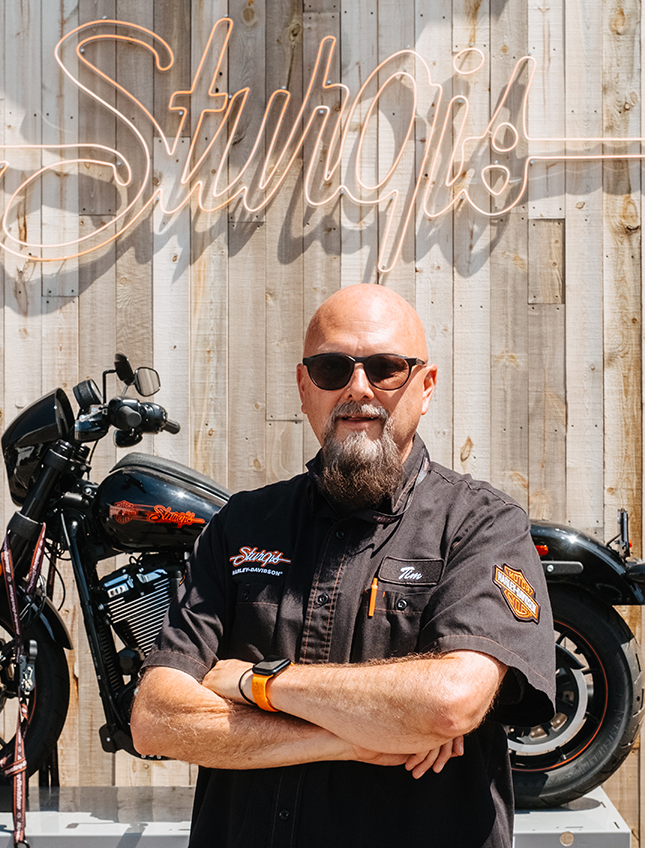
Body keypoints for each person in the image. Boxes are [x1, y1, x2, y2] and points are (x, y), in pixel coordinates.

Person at [131, 284, 556, 848]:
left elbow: (449, 703)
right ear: (305, 388)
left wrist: (251, 680)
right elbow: (158, 718)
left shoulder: (482, 524)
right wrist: (350, 738)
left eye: (386, 368)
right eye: (333, 368)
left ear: (425, 387)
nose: (359, 389)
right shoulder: (241, 525)